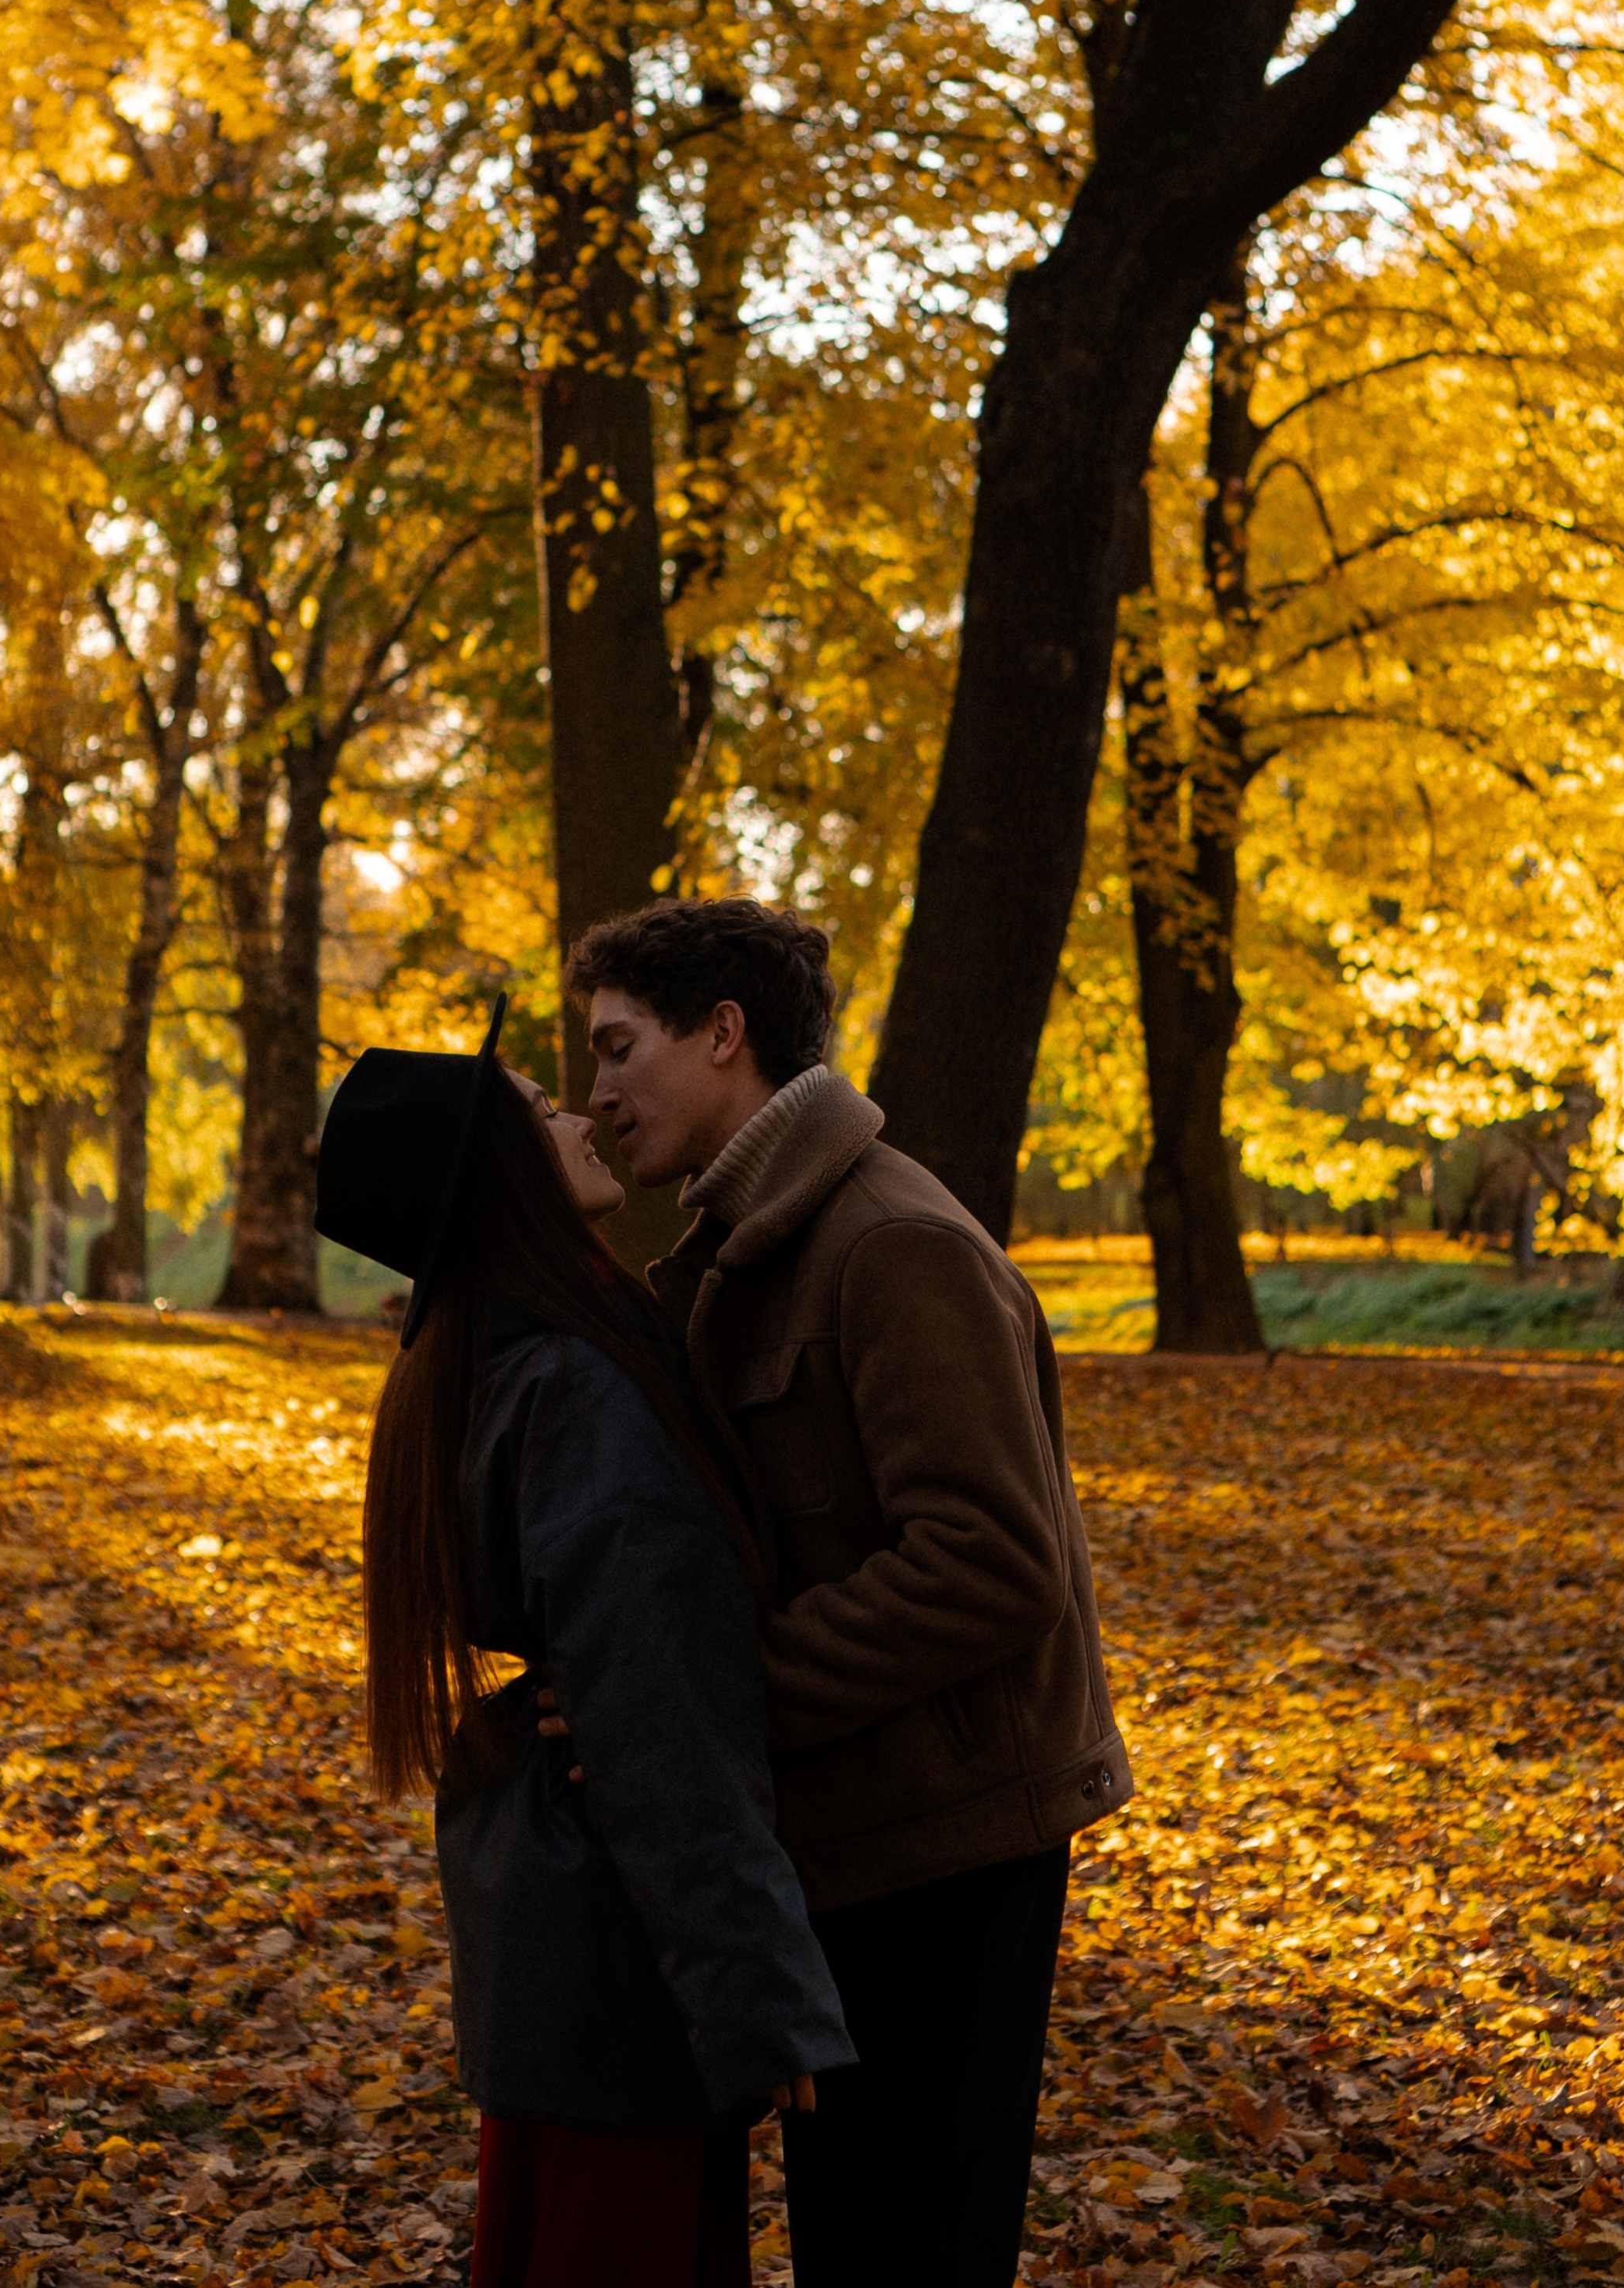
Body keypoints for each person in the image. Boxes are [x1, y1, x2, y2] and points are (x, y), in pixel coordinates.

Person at [553, 899, 1132, 2288]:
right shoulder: (754, 1243)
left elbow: (994, 1566)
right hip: (863, 1835)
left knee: (909, 2246)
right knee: (858, 2241)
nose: (599, 1091)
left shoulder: (887, 1245)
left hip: (951, 1853)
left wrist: (723, 1696)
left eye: (621, 1046)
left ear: (725, 1035)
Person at [318, 993, 854, 2288]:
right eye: (534, 1107)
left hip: (562, 1951)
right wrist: (761, 1997)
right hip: (618, 1977)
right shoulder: (573, 1386)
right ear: (500, 1170)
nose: (572, 1110)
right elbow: (661, 1717)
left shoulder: (489, 1361)